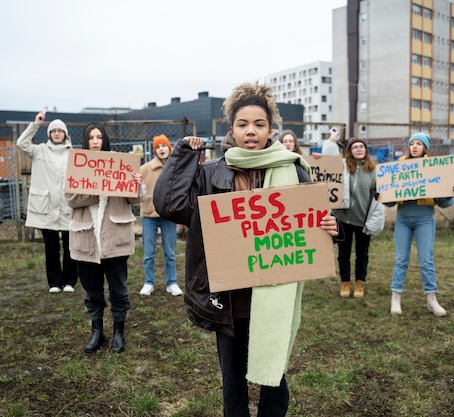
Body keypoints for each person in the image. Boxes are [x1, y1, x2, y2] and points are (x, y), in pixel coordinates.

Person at [153, 81, 339, 417]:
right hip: (230, 302)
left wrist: (331, 228)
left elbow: (316, 219)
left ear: (271, 129)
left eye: (259, 124)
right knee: (233, 384)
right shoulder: (210, 174)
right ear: (232, 129)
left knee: (274, 382)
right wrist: (183, 157)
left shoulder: (294, 170)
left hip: (274, 298)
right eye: (242, 124)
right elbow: (171, 206)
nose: (250, 131)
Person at [65, 123, 146, 353]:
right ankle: (97, 331)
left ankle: (119, 332)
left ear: (105, 140)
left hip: (115, 240)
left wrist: (137, 185)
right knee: (92, 291)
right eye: (91, 137)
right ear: (85, 140)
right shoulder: (77, 165)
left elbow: (136, 198)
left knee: (118, 289)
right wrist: (96, 185)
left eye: (99, 137)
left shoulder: (119, 165)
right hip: (86, 239)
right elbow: (71, 198)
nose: (95, 141)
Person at [384, 132, 454, 317]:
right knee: (401, 260)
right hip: (403, 219)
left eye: (419, 143)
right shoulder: (398, 168)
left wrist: (451, 192)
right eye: (412, 143)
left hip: (425, 220)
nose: (415, 146)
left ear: (425, 148)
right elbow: (390, 201)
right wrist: (381, 196)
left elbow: (443, 202)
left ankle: (431, 300)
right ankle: (396, 298)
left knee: (426, 260)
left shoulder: (434, 169)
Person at [17, 111, 77, 293]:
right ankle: (54, 282)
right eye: (53, 131)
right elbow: (21, 143)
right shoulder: (39, 150)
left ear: (65, 134)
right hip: (46, 207)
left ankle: (69, 281)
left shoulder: (74, 154)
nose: (57, 133)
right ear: (49, 133)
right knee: (51, 248)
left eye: (60, 131)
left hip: (67, 206)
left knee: (70, 247)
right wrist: (36, 124)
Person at [326, 137, 385, 298]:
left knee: (362, 254)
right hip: (343, 218)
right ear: (350, 151)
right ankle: (345, 282)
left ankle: (360, 282)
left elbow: (379, 194)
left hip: (363, 220)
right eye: (355, 147)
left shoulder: (373, 170)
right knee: (343, 253)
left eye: (361, 147)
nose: (359, 149)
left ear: (366, 150)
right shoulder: (343, 166)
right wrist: (320, 157)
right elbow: (327, 164)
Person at [138, 134, 182, 297]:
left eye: (164, 146)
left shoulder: (176, 167)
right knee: (149, 252)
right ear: (154, 150)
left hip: (169, 216)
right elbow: (138, 191)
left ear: (169, 148)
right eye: (158, 147)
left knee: (170, 252)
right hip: (149, 215)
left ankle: (172, 282)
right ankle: (149, 282)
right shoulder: (145, 169)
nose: (161, 149)